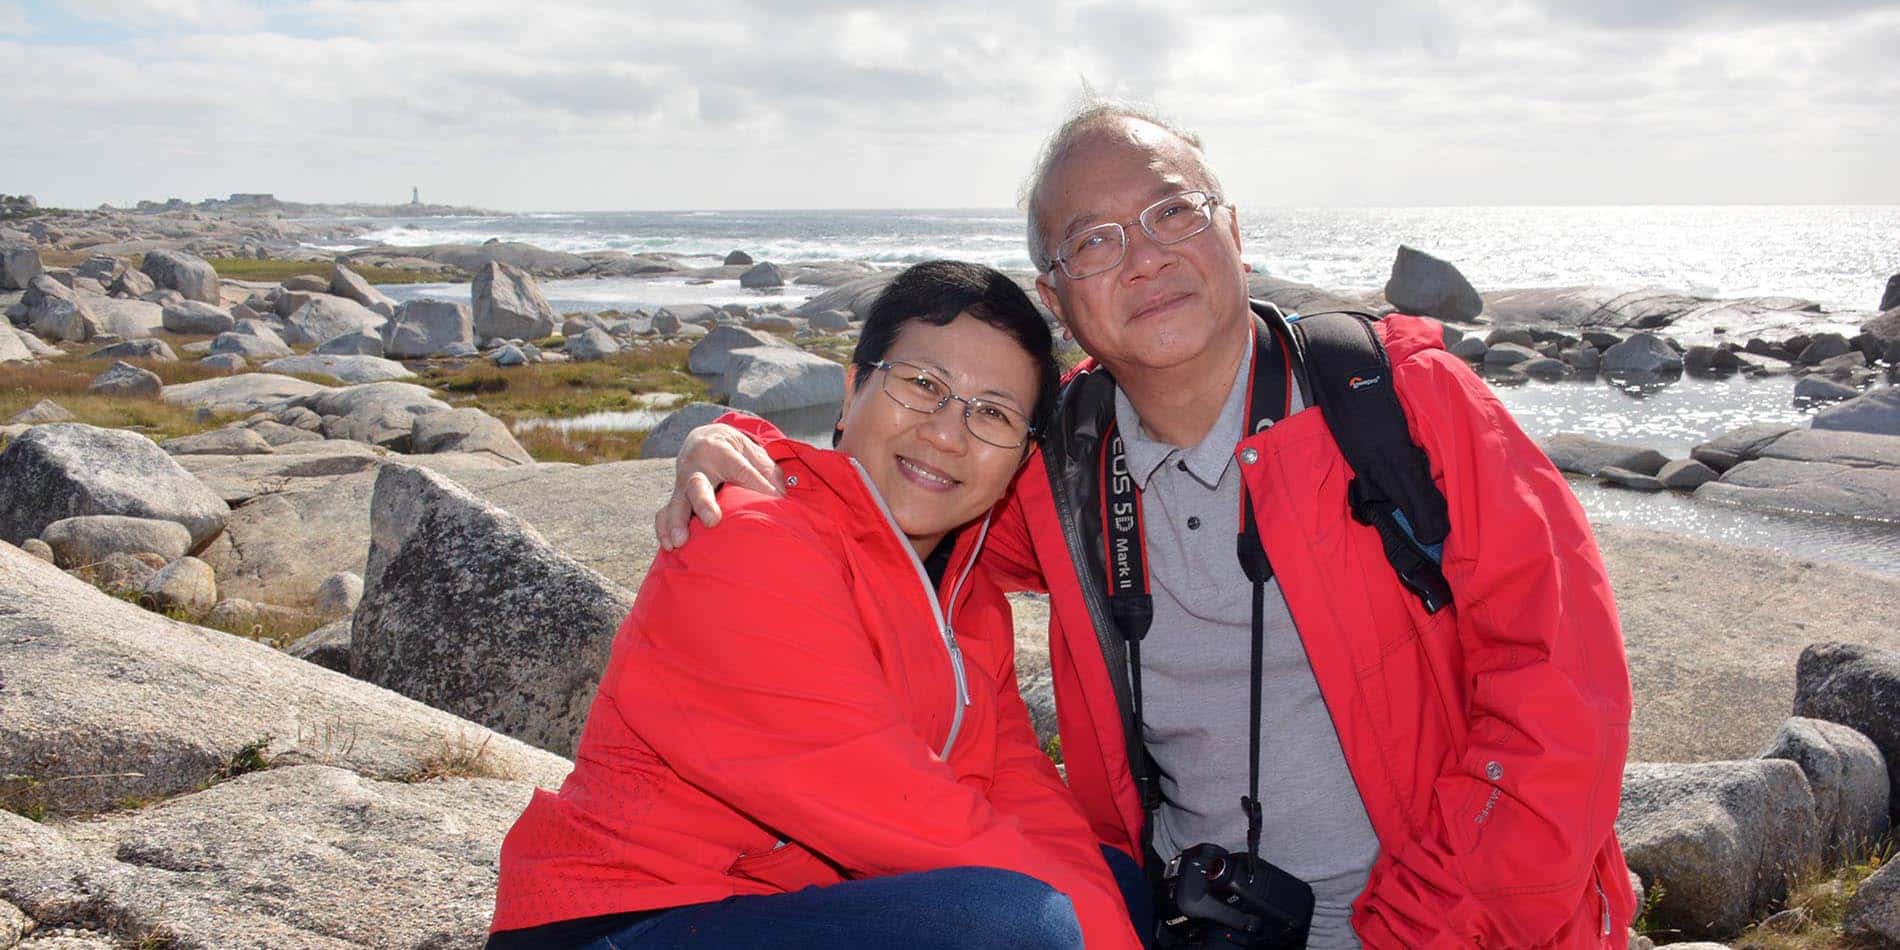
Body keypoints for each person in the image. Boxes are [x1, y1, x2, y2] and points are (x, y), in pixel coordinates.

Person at [660, 101, 1636, 949]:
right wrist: (752, 451)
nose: (1145, 256)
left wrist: (1431, 930)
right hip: (1187, 911)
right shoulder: (1059, 464)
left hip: (1438, 921)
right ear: (1056, 296)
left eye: (1173, 209)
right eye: (1094, 239)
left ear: (1233, 229)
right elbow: (901, 495)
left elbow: (1564, 697)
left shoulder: (1397, 399)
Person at [489, 260, 1144, 950]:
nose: (948, 434)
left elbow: (1022, 791)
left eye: (992, 413)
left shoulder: (970, 597)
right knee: (1019, 928)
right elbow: (899, 809)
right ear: (853, 386)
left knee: (1111, 884)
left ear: (1020, 458)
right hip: (624, 917)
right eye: (923, 385)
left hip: (785, 903)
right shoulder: (749, 538)